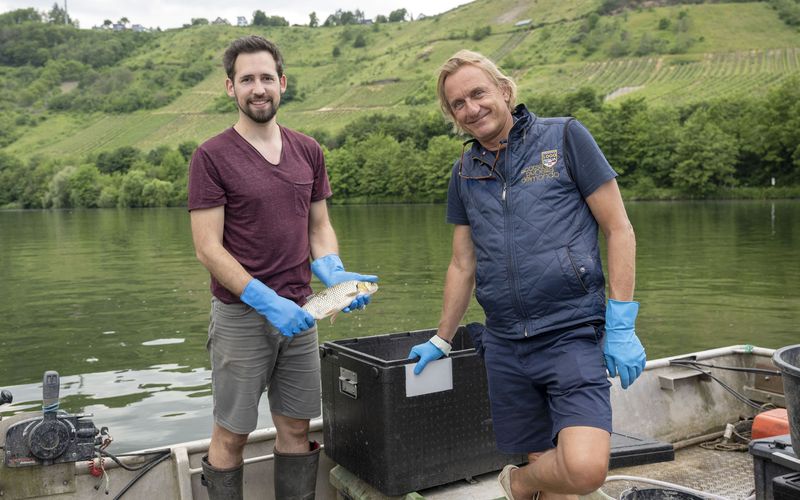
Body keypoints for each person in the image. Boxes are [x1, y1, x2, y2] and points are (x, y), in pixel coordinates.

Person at [407, 50, 646, 500]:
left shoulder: (565, 137)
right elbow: (463, 264)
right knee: (550, 470)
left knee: (584, 468)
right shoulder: (464, 173)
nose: (471, 108)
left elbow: (619, 229)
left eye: (478, 93)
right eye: (457, 104)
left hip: (572, 333)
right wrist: (442, 337)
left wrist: (622, 322)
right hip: (506, 345)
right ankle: (529, 480)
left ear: (504, 90)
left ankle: (515, 484)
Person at [188, 35, 377, 500]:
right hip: (241, 317)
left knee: (296, 429)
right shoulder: (211, 157)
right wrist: (263, 299)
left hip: (302, 315)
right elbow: (208, 249)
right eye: (247, 79)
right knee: (231, 433)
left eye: (266, 78)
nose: (258, 88)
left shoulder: (308, 150)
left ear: (282, 84)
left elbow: (319, 226)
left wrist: (332, 271)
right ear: (229, 88)